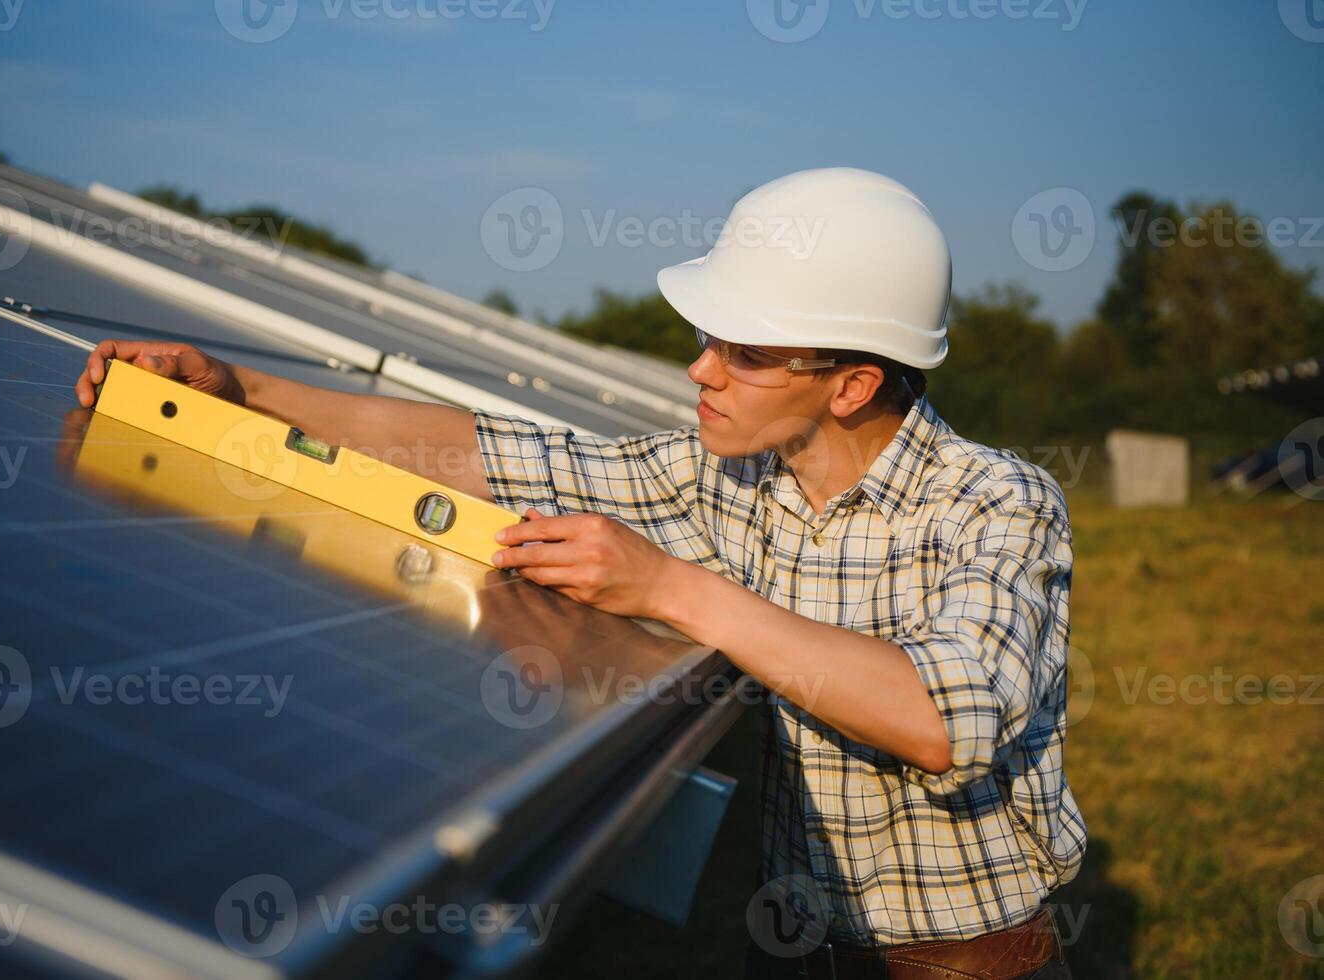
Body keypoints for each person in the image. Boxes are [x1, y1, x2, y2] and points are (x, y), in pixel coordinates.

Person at [73, 168, 1083, 979]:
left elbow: (945, 717)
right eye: (706, 340)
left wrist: (671, 588)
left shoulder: (998, 502)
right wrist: (242, 390)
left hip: (959, 961)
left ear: (854, 382)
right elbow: (485, 451)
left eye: (743, 351)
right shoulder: (723, 475)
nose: (701, 369)